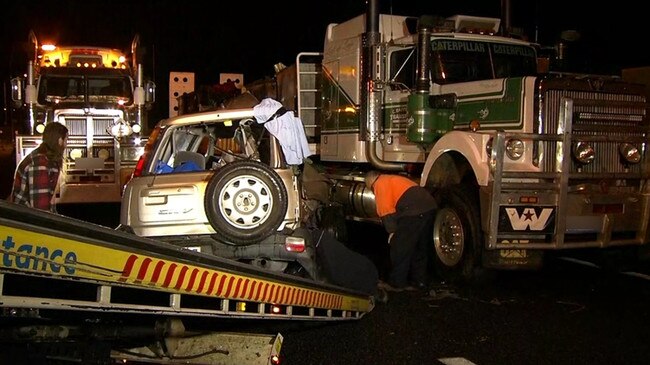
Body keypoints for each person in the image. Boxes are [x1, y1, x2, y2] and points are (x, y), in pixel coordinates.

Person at [365, 170, 437, 292]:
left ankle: (396, 283)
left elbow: (385, 211)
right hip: (429, 207)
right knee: (419, 247)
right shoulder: (391, 178)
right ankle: (419, 281)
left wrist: (392, 232)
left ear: (369, 182)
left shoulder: (379, 184)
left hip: (413, 210)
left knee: (400, 247)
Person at [9, 122, 68, 213]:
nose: (66, 144)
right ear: (60, 141)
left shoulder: (45, 159)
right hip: (26, 220)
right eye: (66, 140)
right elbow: (40, 209)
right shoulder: (40, 165)